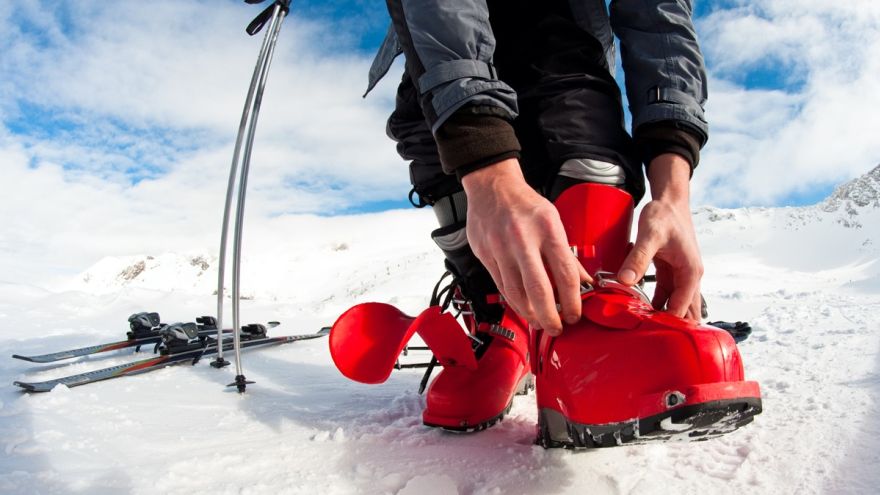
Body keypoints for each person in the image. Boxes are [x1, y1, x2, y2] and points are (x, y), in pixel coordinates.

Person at [363, 0, 709, 430]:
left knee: (579, 131)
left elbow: (658, 15)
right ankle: (500, 317)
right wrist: (486, 167)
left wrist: (672, 191)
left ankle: (593, 311)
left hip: (563, 28)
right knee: (434, 140)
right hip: (439, 31)